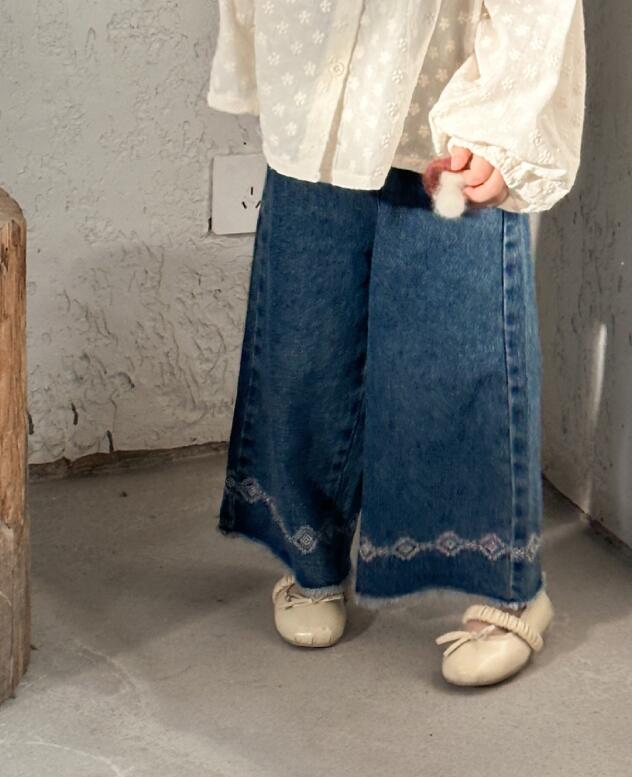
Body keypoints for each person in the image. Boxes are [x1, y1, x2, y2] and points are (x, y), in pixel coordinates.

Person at [206, 0, 586, 687]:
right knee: (303, 331)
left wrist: (503, 121)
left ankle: (505, 582)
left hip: (452, 88)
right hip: (318, 65)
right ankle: (310, 550)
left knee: (459, 342)